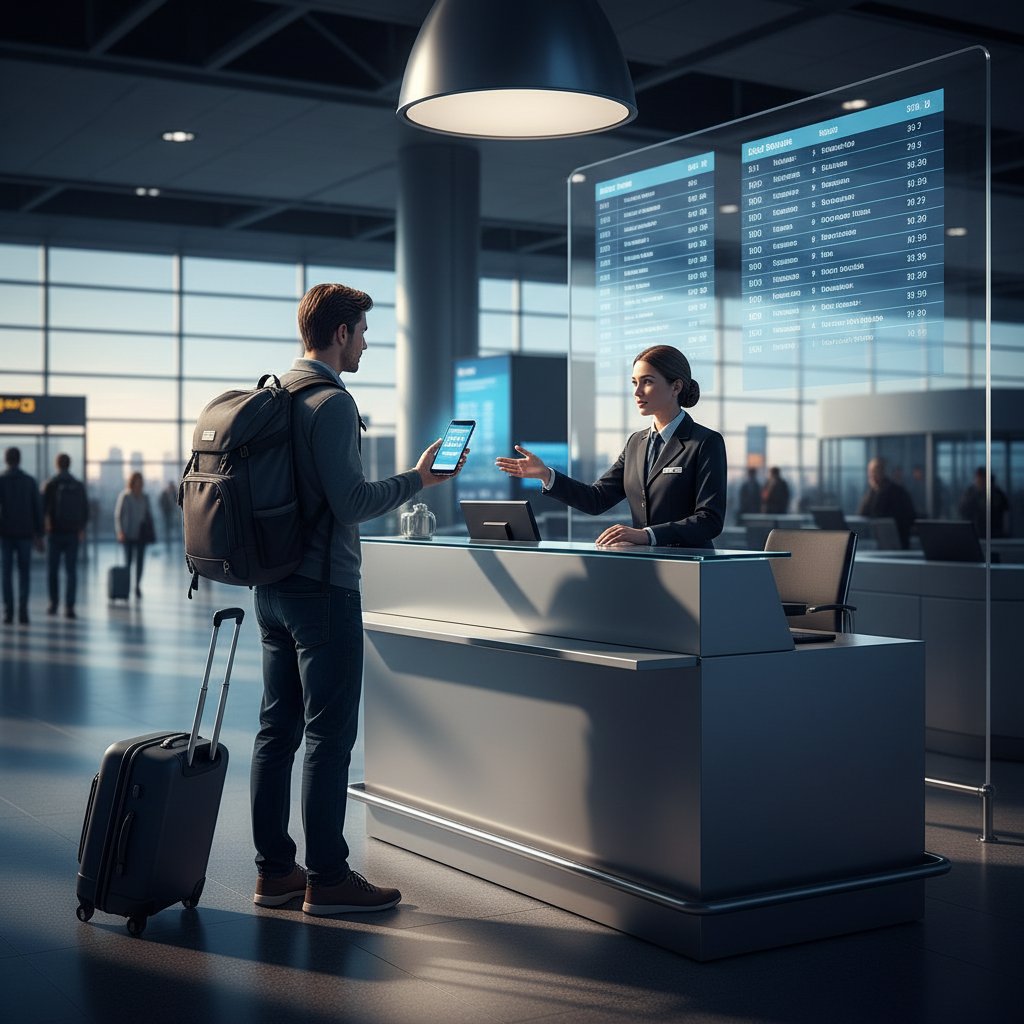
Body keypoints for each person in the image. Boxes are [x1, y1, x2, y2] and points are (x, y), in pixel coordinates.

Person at [250, 282, 466, 918]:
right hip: (324, 589)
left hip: (274, 587)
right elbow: (352, 503)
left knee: (275, 731)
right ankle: (330, 877)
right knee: (328, 737)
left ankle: (275, 872)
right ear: (340, 332)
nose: (367, 342)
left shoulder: (274, 395)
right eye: (364, 331)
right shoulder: (332, 404)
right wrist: (419, 479)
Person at [495, 345, 726, 548]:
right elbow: (597, 499)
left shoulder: (705, 442)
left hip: (693, 568)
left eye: (647, 382)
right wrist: (546, 475)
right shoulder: (637, 442)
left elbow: (709, 520)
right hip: (647, 566)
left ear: (676, 387)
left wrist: (646, 535)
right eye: (635, 383)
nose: (637, 392)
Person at [0, 447, 44, 625]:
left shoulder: (1, 480)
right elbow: (37, 509)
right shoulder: (30, 481)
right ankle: (23, 611)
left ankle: (8, 613)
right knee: (24, 573)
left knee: (6, 574)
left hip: (6, 534)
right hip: (25, 534)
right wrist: (39, 534)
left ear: (6, 460)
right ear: (19, 460)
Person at [42, 453, 89, 619]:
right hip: (72, 533)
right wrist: (81, 529)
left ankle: (53, 604)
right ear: (69, 465)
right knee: (71, 571)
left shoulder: (51, 484)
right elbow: (85, 509)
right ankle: (70, 607)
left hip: (54, 533)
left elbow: (42, 509)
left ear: (57, 465)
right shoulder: (77, 485)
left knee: (52, 571)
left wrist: (43, 530)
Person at [857, 456, 916, 549]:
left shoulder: (898, 493)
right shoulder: (872, 492)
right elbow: (862, 515)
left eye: (875, 471)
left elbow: (905, 519)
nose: (871, 475)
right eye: (870, 471)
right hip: (876, 543)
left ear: (884, 472)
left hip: (895, 545)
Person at [114, 471, 154, 598]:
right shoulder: (125, 496)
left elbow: (149, 515)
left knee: (140, 562)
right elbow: (118, 515)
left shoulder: (145, 497)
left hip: (141, 534)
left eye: (140, 481)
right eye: (137, 481)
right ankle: (126, 587)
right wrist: (120, 531)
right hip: (128, 534)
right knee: (128, 562)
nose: (139, 483)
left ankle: (137, 586)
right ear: (132, 482)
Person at [959, 467, 1010, 539]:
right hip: (975, 533)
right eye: (979, 479)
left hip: (994, 534)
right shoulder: (970, 493)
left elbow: (1005, 514)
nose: (980, 482)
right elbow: (963, 510)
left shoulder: (997, 494)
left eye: (983, 479)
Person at [158, 481, 178, 551]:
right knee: (167, 526)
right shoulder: (164, 493)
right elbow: (161, 502)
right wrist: (163, 509)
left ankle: (170, 539)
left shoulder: (174, 493)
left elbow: (177, 501)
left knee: (171, 525)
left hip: (172, 512)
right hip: (166, 512)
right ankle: (167, 540)